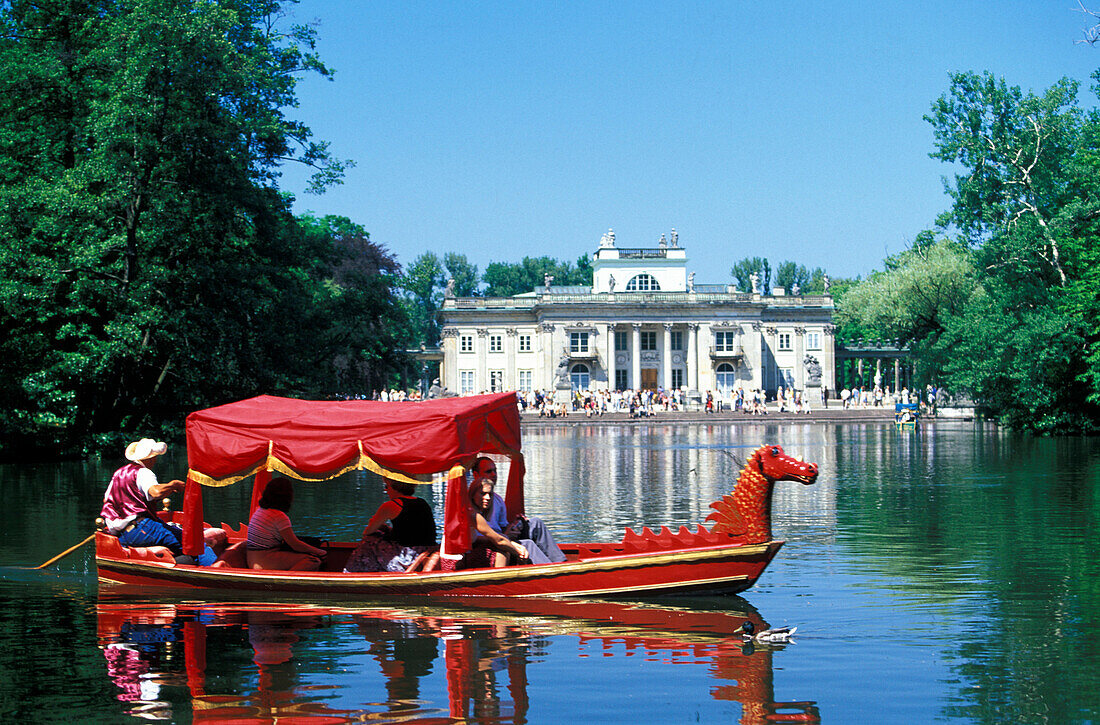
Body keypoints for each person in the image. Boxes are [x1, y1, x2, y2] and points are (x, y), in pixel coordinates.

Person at [101, 438, 216, 565]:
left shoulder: (119, 473)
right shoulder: (144, 472)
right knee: (196, 544)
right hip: (142, 529)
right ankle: (219, 572)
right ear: (150, 458)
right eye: (155, 457)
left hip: (123, 535)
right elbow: (155, 492)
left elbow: (106, 499)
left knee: (173, 535)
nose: (155, 461)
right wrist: (172, 485)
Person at [471, 457, 566, 564]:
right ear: (476, 475)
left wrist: (514, 526)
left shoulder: (497, 499)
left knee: (535, 523)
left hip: (501, 537)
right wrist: (506, 539)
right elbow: (477, 538)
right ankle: (554, 572)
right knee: (527, 544)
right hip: (491, 543)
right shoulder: (470, 505)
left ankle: (561, 563)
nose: (494, 475)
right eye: (489, 471)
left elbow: (503, 527)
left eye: (495, 471)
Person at [344, 478, 439, 573]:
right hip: (425, 550)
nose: (386, 490)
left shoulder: (390, 505)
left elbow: (367, 531)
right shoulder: (422, 502)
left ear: (395, 488)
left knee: (369, 540)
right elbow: (414, 531)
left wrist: (374, 523)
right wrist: (388, 530)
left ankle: (353, 573)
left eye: (387, 487)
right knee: (381, 534)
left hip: (407, 557)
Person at [246, 477, 326, 571]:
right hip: (264, 561)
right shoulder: (278, 516)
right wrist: (320, 552)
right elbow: (295, 544)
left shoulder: (260, 510)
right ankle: (285, 584)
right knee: (313, 561)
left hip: (252, 559)